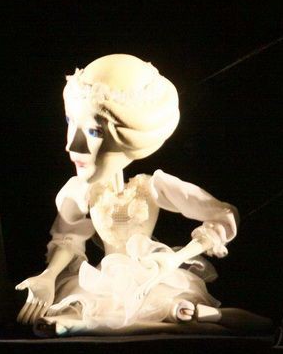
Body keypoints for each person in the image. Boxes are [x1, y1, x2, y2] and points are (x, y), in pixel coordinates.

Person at [15, 54, 268, 336]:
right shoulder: (81, 190)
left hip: (151, 278)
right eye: (69, 121)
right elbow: (68, 239)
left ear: (133, 137)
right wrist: (48, 276)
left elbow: (222, 215)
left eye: (95, 131)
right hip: (104, 283)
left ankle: (86, 326)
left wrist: (175, 259)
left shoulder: (152, 186)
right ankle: (90, 325)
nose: (72, 145)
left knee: (179, 315)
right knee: (151, 317)